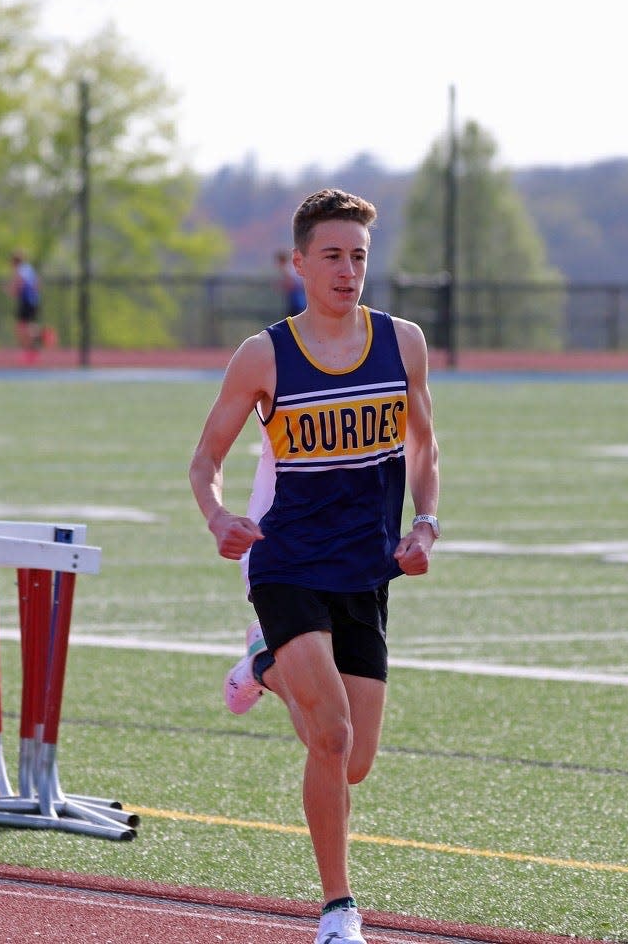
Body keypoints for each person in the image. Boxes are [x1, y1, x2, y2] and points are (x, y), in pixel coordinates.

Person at [189, 189, 440, 944]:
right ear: (298, 263)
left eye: (358, 255)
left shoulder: (403, 343)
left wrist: (425, 522)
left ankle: (263, 668)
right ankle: (338, 911)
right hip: (286, 564)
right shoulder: (265, 354)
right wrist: (219, 517)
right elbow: (207, 460)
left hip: (365, 571)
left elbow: (426, 447)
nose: (347, 270)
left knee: (354, 762)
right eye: (331, 255)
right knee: (327, 736)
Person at [8, 251, 42, 363]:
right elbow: (37, 283)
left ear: (15, 261)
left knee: (22, 328)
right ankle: (32, 349)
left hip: (26, 301)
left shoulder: (21, 269)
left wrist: (12, 290)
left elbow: (19, 284)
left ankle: (39, 337)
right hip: (33, 301)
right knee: (26, 327)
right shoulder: (29, 268)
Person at [274, 247, 307, 315]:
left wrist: (280, 285)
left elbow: (291, 282)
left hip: (296, 294)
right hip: (299, 294)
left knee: (293, 314)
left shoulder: (286, 268)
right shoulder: (291, 266)